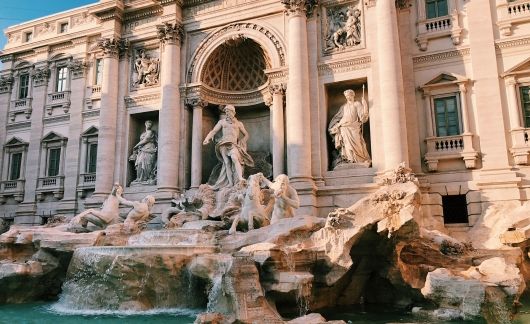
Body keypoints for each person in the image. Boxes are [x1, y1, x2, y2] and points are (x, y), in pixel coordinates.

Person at [203, 105, 254, 188]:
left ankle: (240, 178)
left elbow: (246, 134)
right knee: (226, 163)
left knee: (234, 157)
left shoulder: (239, 123)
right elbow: (214, 131)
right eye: (226, 112)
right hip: (223, 144)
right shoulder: (222, 122)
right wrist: (207, 138)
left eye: (228, 111)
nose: (227, 113)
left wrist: (242, 141)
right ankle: (230, 183)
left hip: (233, 144)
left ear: (234, 112)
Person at [328, 89, 371, 167]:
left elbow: (363, 118)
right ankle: (349, 160)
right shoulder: (343, 107)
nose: (348, 97)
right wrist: (336, 126)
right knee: (347, 145)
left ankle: (359, 160)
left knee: (357, 144)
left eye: (349, 95)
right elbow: (340, 118)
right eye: (346, 96)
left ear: (353, 95)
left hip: (354, 127)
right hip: (344, 127)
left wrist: (365, 106)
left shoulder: (357, 104)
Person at [130, 120, 157, 185]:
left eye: (150, 125)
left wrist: (136, 146)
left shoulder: (150, 132)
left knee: (148, 163)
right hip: (142, 150)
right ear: (145, 124)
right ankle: (140, 178)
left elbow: (146, 140)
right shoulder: (143, 133)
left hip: (149, 149)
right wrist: (138, 148)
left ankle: (147, 178)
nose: (149, 125)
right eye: (148, 124)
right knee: (139, 162)